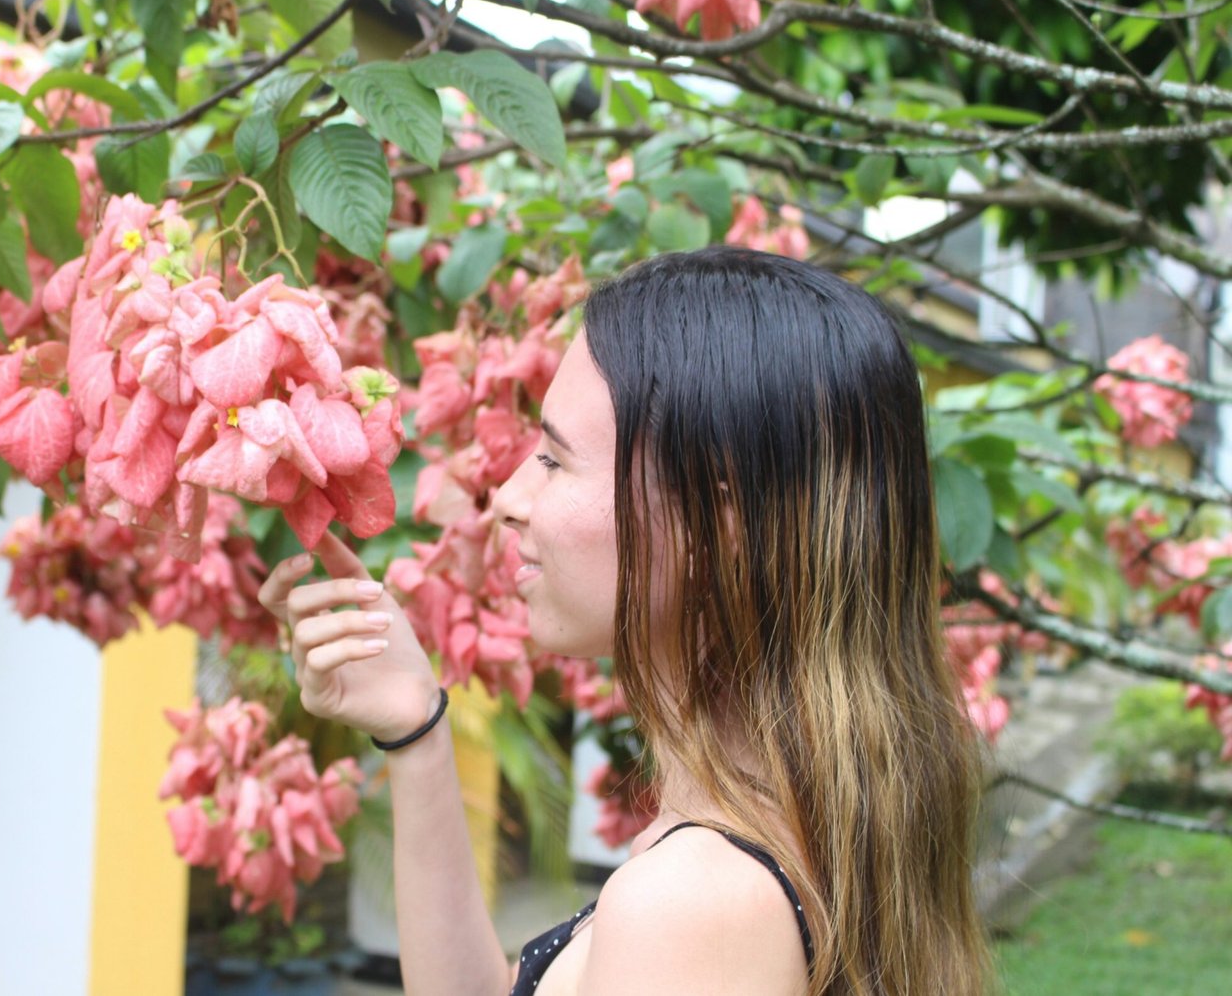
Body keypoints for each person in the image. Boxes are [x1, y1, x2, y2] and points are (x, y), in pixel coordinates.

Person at [258, 248, 993, 995]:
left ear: (717, 525)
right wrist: (416, 732)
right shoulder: (780, 824)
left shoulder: (690, 904)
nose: (507, 497)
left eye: (553, 458)